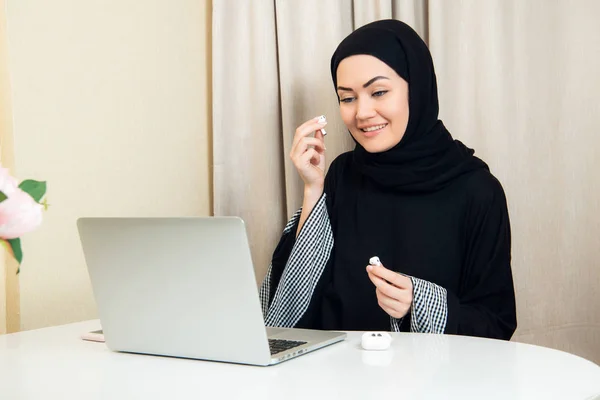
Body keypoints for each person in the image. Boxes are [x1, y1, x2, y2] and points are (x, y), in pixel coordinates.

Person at [259, 19, 517, 339]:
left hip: (433, 385)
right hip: (335, 380)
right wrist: (313, 188)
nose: (362, 112)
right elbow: (288, 309)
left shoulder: (477, 191)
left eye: (378, 92)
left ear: (416, 88)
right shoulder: (341, 176)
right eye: (347, 98)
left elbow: (496, 325)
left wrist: (419, 302)